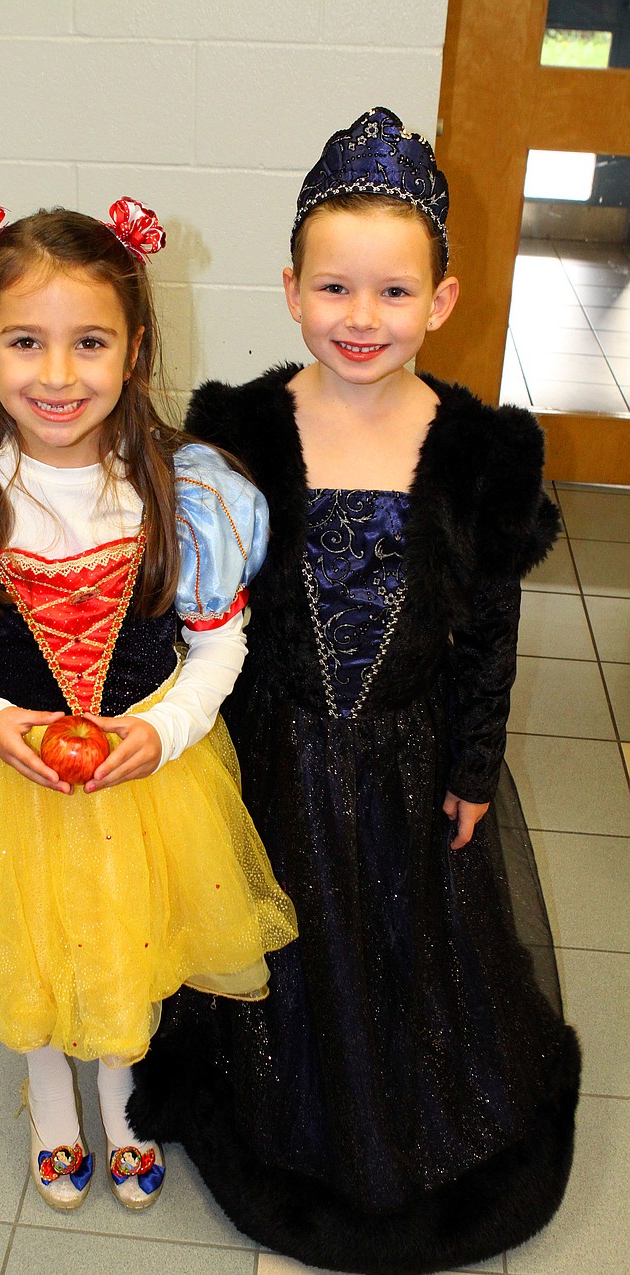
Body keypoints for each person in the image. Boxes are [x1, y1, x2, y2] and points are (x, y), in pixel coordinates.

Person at [129, 109, 581, 1271]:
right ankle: (276, 1117)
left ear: (440, 299)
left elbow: (487, 632)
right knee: (284, 949)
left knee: (410, 945)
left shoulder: (481, 450)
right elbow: (198, 607)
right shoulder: (235, 435)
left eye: (392, 292)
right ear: (290, 290)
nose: (360, 317)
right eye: (335, 288)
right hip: (271, 757)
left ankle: (411, 1129)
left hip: (410, 762)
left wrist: (474, 765)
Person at [0, 199, 297, 1214]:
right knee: (30, 938)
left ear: (135, 350)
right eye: (25, 342)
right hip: (6, 777)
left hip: (146, 776)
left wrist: (161, 729)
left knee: (130, 934)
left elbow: (221, 645)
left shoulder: (184, 493)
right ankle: (48, 1084)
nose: (56, 374)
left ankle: (122, 1090)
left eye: (89, 342)